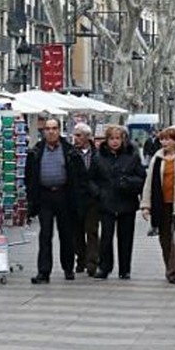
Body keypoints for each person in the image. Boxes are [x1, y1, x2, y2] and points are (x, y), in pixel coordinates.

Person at [25, 116, 87, 283]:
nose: (51, 132)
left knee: (66, 234)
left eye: (54, 128)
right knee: (45, 234)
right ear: (43, 131)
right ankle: (43, 272)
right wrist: (32, 199)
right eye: (47, 129)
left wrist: (78, 199)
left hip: (64, 195)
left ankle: (68, 268)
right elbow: (29, 175)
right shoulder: (37, 150)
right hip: (44, 196)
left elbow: (80, 177)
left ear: (59, 131)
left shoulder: (69, 151)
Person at [89, 125, 146, 280]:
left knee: (126, 237)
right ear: (107, 140)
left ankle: (125, 268)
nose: (114, 142)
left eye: (118, 138)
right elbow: (91, 179)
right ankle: (105, 266)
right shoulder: (99, 157)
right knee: (106, 237)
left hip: (126, 202)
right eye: (111, 138)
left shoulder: (132, 156)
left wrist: (129, 182)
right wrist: (98, 193)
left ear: (123, 140)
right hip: (106, 202)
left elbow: (142, 178)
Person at [140, 126, 175, 284]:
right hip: (161, 204)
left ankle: (174, 272)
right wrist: (146, 205)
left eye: (168, 139)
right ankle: (170, 267)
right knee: (165, 240)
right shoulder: (157, 158)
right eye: (162, 139)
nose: (164, 142)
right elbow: (149, 183)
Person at [70, 123, 99, 276]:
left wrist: (97, 191)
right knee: (77, 232)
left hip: (92, 199)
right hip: (76, 198)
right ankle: (81, 259)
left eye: (79, 135)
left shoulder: (97, 153)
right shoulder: (71, 153)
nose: (76, 139)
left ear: (87, 136)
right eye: (75, 135)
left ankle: (92, 262)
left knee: (92, 230)